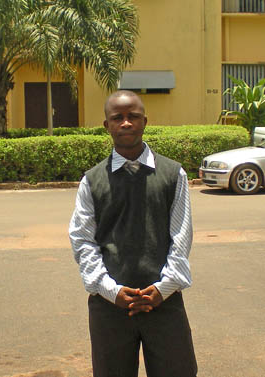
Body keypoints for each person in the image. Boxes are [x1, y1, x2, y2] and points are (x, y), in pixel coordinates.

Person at [69, 90, 197, 377]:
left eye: (133, 117)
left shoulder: (173, 174)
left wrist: (162, 290)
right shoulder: (92, 180)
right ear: (107, 125)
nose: (126, 123)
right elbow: (82, 240)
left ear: (145, 121)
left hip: (164, 303)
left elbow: (181, 236)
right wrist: (109, 290)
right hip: (110, 307)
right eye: (118, 118)